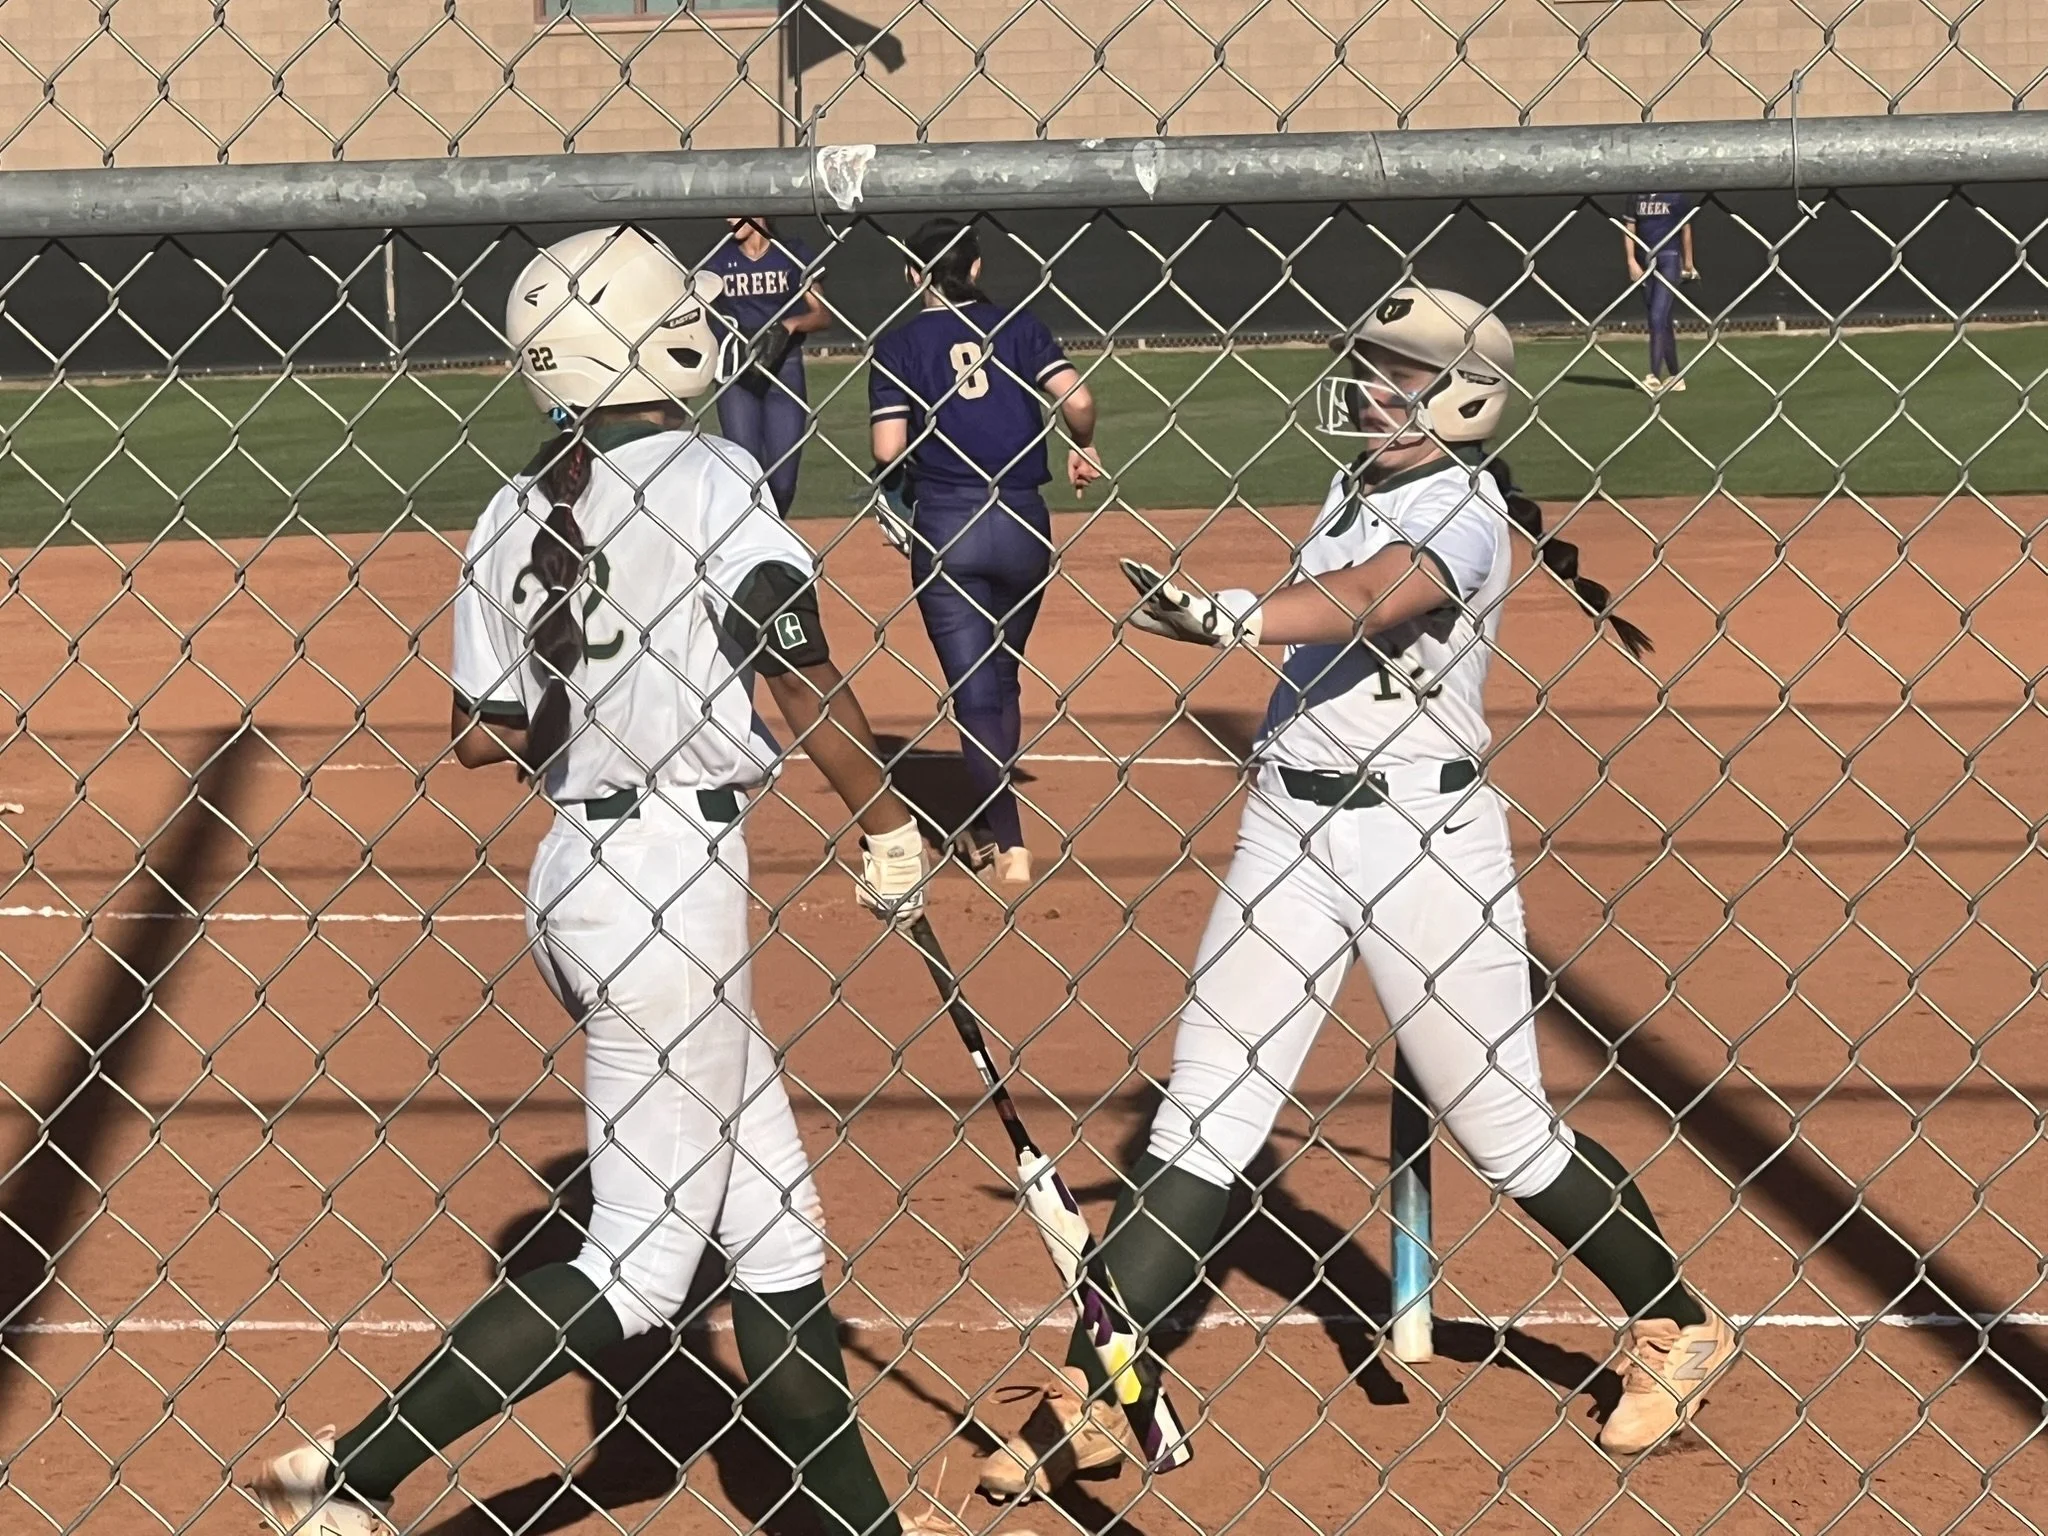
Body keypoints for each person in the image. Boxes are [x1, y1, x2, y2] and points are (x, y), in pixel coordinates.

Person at [244, 226, 998, 1536]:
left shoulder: (512, 503)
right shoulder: (714, 474)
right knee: (643, 1270)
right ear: (660, 335)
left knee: (771, 1242)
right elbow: (794, 657)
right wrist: (886, 821)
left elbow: (484, 728)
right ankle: (352, 1474)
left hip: (578, 871)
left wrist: (591, 678)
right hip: (670, 884)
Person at [976, 285, 1734, 1501]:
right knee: (1202, 1124)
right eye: (1369, 364)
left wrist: (1230, 616)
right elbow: (1351, 583)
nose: (1368, 385)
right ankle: (1100, 1386)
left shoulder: (1463, 510)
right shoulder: (1366, 479)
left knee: (1500, 1134)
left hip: (1420, 842)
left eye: (1399, 372)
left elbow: (1382, 594)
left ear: (1466, 397)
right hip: (1288, 824)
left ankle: (1674, 1320)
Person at [868, 217, 1104, 884]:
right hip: (1026, 521)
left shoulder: (899, 345)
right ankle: (992, 827)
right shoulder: (1019, 325)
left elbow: (888, 450)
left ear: (913, 276)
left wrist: (898, 487)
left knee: (973, 691)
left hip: (948, 524)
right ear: (975, 270)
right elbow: (1077, 398)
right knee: (1003, 675)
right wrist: (1083, 444)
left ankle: (1007, 841)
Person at [707, 215, 831, 516]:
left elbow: (823, 315)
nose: (729, 219)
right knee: (745, 471)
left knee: (783, 480)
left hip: (783, 368)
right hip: (738, 374)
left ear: (759, 210)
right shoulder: (717, 259)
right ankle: (753, 538)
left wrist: (790, 324)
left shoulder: (791, 254)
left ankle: (774, 527)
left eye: (737, 211)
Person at [1623, 192, 1698, 393]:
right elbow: (1630, 228)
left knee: (1657, 317)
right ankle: (1676, 376)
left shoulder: (1676, 195)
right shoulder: (1637, 195)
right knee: (1660, 320)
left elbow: (1686, 228)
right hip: (1643, 260)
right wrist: (1631, 260)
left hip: (1669, 259)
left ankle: (1654, 375)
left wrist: (1689, 262)